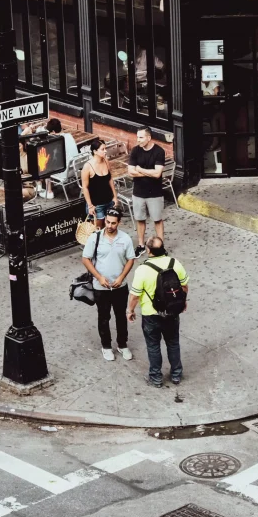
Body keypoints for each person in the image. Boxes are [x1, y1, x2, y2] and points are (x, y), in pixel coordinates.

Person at [128, 237, 189, 388]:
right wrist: (183, 301)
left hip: (151, 314)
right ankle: (176, 374)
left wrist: (130, 310)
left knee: (153, 346)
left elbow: (135, 296)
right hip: (172, 311)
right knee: (173, 343)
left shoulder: (142, 269)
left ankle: (156, 377)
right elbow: (184, 286)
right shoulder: (174, 263)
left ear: (148, 251)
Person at [81, 208, 135, 362]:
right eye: (108, 222)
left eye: (113, 223)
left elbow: (130, 259)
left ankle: (122, 345)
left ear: (119, 223)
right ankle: (106, 346)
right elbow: (86, 259)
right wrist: (99, 277)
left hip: (120, 286)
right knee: (103, 317)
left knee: (121, 317)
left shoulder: (125, 239)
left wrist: (122, 277)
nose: (110, 225)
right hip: (101, 287)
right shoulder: (95, 238)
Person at [128, 127, 166, 256]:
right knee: (140, 219)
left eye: (141, 137)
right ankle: (141, 245)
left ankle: (160, 246)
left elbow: (157, 174)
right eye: (137, 137)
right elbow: (130, 172)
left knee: (157, 219)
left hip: (155, 192)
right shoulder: (135, 151)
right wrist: (147, 172)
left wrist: (140, 169)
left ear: (149, 138)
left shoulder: (159, 151)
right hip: (138, 192)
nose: (138, 140)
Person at [81, 139, 117, 229]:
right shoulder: (87, 166)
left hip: (109, 201)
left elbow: (110, 179)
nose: (105, 151)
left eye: (105, 148)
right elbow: (85, 187)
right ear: (95, 151)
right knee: (98, 230)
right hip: (96, 204)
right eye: (103, 149)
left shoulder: (106, 161)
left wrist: (115, 197)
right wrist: (90, 206)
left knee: (109, 228)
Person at [42, 119, 78, 200]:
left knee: (44, 165)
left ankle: (49, 191)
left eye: (49, 132)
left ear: (53, 132)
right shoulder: (69, 136)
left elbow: (52, 158)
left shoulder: (57, 142)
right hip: (75, 170)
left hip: (65, 173)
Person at [17, 135, 38, 201]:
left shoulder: (28, 157)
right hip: (15, 187)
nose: (17, 148)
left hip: (28, 187)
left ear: (23, 145)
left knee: (14, 194)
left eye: (19, 146)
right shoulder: (13, 157)